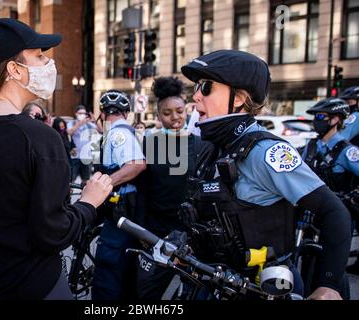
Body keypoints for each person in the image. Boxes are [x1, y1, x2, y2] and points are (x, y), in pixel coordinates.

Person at [0, 18, 112, 300]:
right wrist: (89, 202)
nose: (48, 63)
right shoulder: (40, 139)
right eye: (39, 56)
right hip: (28, 286)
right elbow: (53, 234)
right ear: (14, 69)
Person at [180, 49, 351, 300]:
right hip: (213, 282)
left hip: (263, 289)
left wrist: (329, 285)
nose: (195, 95)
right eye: (195, 86)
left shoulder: (266, 151)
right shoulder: (214, 147)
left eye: (206, 87)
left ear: (238, 98)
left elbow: (334, 212)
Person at [136, 77, 214, 299]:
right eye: (167, 113)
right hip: (157, 232)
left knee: (191, 292)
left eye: (179, 111)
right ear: (159, 115)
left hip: (193, 236)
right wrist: (143, 230)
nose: (175, 117)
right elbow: (143, 190)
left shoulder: (203, 146)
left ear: (186, 110)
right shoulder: (150, 143)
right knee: (147, 293)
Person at [92, 90, 146, 300]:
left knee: (109, 266)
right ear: (126, 113)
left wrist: (103, 184)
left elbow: (136, 165)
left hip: (121, 212)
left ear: (103, 114)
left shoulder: (117, 133)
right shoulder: (115, 132)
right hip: (121, 210)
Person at [302, 98, 359, 275]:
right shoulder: (311, 146)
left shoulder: (347, 150)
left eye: (320, 116)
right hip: (311, 213)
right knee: (305, 260)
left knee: (332, 269)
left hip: (339, 213)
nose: (316, 121)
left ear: (336, 120)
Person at [67, 105, 102, 184]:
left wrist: (95, 120)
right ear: (76, 114)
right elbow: (69, 132)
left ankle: (83, 194)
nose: (82, 115)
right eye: (80, 113)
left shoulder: (89, 124)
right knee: (71, 179)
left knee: (86, 179)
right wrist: (79, 124)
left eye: (84, 113)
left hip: (86, 156)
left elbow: (101, 131)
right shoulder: (71, 123)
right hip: (74, 156)